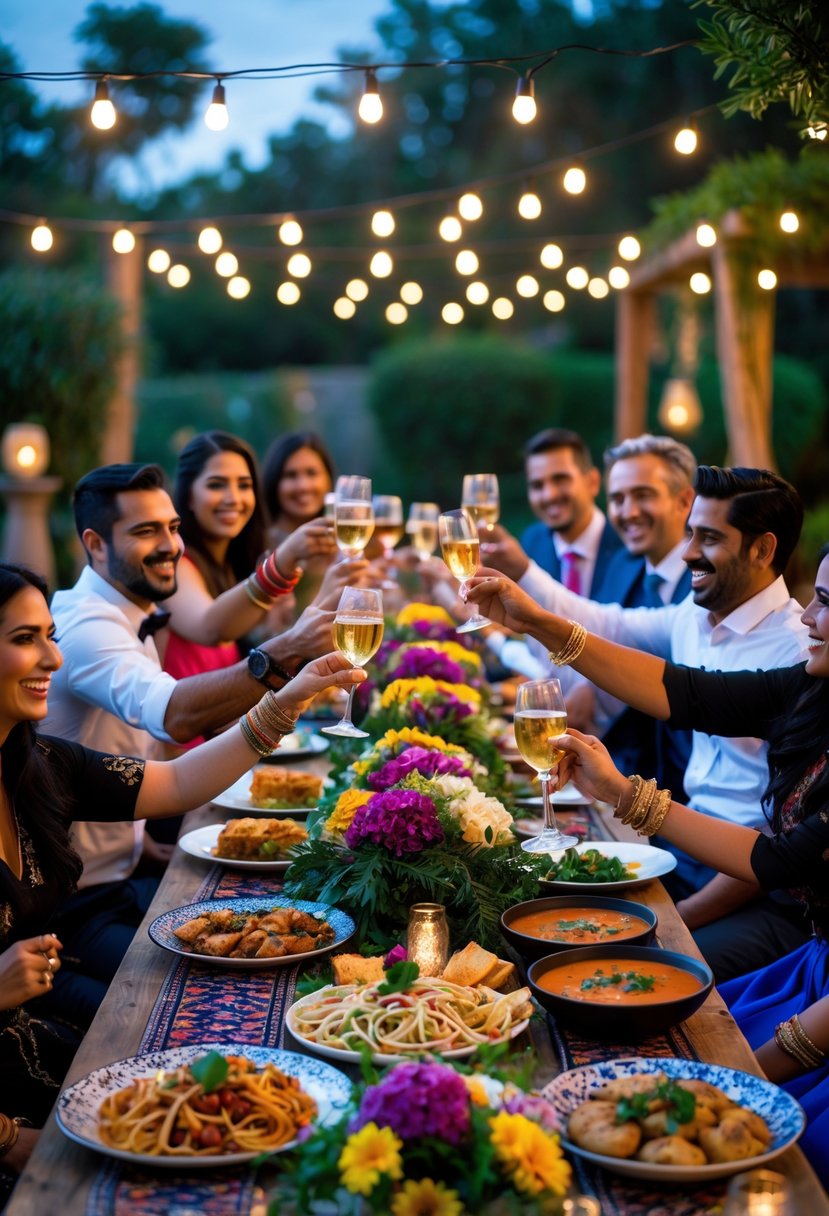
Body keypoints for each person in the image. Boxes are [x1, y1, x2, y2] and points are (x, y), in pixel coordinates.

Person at [466, 550, 829, 1186]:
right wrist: (538, 623)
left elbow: (776, 861)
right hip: (811, 968)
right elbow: (683, 691)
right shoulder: (814, 686)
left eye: (826, 604)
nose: (811, 618)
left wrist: (755, 1072)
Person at [0, 561, 363, 1184]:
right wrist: (9, 1143)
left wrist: (288, 699)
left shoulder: (40, 765)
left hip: (30, 1040)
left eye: (49, 636)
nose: (53, 661)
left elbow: (176, 782)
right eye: (24, 639)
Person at [468, 466, 812, 984]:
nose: (689, 551)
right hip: (681, 852)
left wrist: (672, 921)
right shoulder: (692, 616)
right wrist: (532, 613)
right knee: (530, 912)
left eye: (709, 537)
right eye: (691, 531)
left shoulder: (799, 653)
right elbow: (607, 626)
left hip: (757, 892)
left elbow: (773, 850)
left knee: (611, 970)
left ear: (763, 550)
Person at [42, 462, 334, 1028]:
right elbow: (175, 715)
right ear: (95, 545)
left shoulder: (129, 615)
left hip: (123, 872)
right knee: (223, 990)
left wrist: (133, 842)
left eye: (173, 528)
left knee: (284, 917)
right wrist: (283, 652)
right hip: (74, 908)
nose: (172, 545)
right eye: (146, 531)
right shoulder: (88, 629)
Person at [163, 430, 336, 685]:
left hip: (230, 722)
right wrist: (282, 562)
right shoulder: (174, 561)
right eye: (216, 485)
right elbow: (210, 628)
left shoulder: (235, 564)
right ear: (188, 494)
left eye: (244, 485)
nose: (233, 499)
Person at [593, 434, 696, 797]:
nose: (628, 512)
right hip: (620, 782)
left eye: (643, 495)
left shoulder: (710, 581)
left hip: (690, 795)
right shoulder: (621, 566)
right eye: (617, 499)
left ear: (685, 501)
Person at [261, 432, 336, 614]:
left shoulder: (342, 543)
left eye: (312, 473)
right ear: (274, 481)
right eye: (290, 475)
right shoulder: (259, 544)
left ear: (328, 479)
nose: (303, 485)